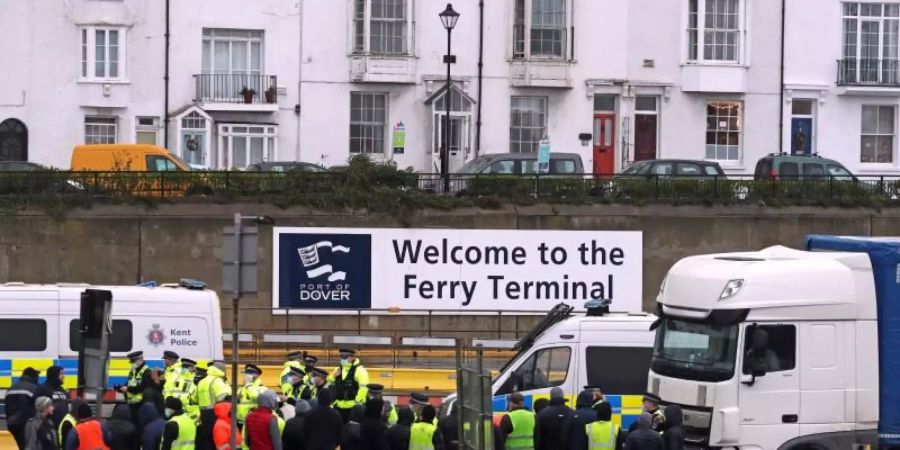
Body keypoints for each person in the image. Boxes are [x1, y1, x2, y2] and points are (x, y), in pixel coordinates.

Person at [195, 361, 231, 450]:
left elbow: (195, 398)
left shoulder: (202, 382)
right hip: (215, 416)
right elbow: (224, 397)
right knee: (215, 442)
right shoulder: (217, 381)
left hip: (203, 415)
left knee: (206, 442)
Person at [333, 348, 369, 423]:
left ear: (352, 357)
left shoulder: (359, 370)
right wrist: (333, 376)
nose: (342, 359)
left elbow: (364, 387)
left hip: (352, 407)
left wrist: (357, 401)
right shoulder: (338, 369)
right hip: (338, 406)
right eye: (341, 356)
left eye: (345, 357)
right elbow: (331, 383)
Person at [7, 366, 40, 448]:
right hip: (27, 424)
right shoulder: (34, 388)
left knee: (21, 445)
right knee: (29, 446)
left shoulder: (11, 388)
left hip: (12, 423)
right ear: (33, 376)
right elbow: (39, 406)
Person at [120, 351, 154, 421]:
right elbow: (129, 383)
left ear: (140, 359)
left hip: (141, 404)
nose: (132, 363)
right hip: (131, 403)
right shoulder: (133, 371)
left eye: (133, 361)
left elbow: (143, 387)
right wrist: (122, 388)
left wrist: (128, 389)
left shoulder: (147, 372)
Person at [36, 365, 69, 431]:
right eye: (61, 373)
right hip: (48, 426)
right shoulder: (42, 388)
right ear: (55, 375)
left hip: (63, 425)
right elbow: (38, 407)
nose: (63, 376)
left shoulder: (62, 390)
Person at [166, 358, 199, 423]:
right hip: (174, 410)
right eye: (183, 366)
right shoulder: (175, 376)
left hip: (189, 413)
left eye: (187, 367)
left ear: (193, 368)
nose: (185, 369)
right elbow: (167, 389)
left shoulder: (195, 379)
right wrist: (168, 400)